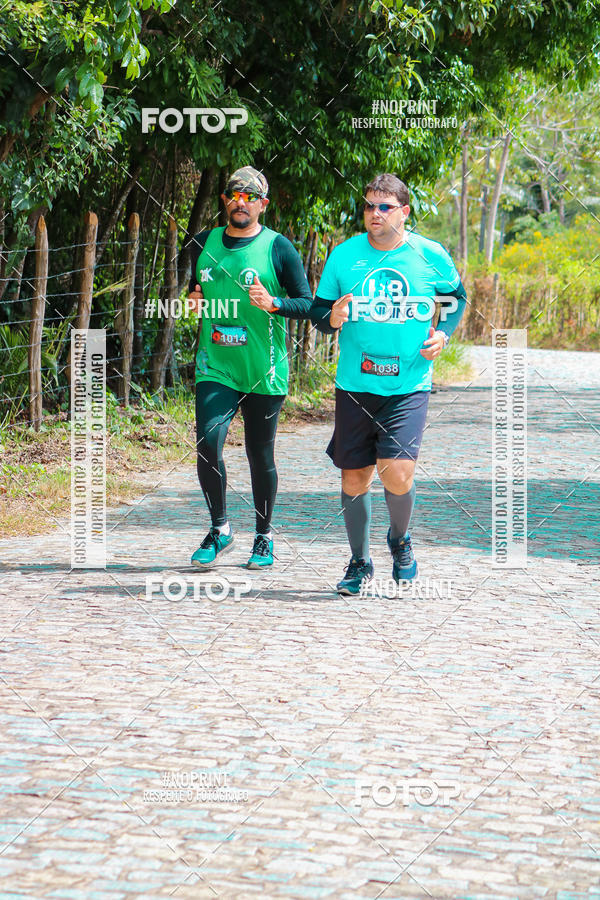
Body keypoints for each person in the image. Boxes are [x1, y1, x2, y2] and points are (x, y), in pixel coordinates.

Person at [311, 173, 467, 594]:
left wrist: (443, 332)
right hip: (354, 385)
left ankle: (400, 541)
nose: (374, 214)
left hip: (408, 385)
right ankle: (360, 563)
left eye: (384, 207)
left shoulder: (428, 254)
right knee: (354, 478)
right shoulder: (344, 257)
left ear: (404, 211)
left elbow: (457, 296)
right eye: (368, 206)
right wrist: (331, 319)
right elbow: (320, 314)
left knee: (397, 473)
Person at [187, 166, 312, 569]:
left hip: (264, 368)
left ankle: (264, 535)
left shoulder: (279, 248)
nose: (241, 202)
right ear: (225, 200)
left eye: (250, 196)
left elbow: (308, 304)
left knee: (261, 456)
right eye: (234, 195)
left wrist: (274, 303)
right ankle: (220, 528)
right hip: (216, 364)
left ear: (263, 204)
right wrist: (193, 298)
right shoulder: (203, 242)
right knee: (208, 442)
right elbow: (196, 288)